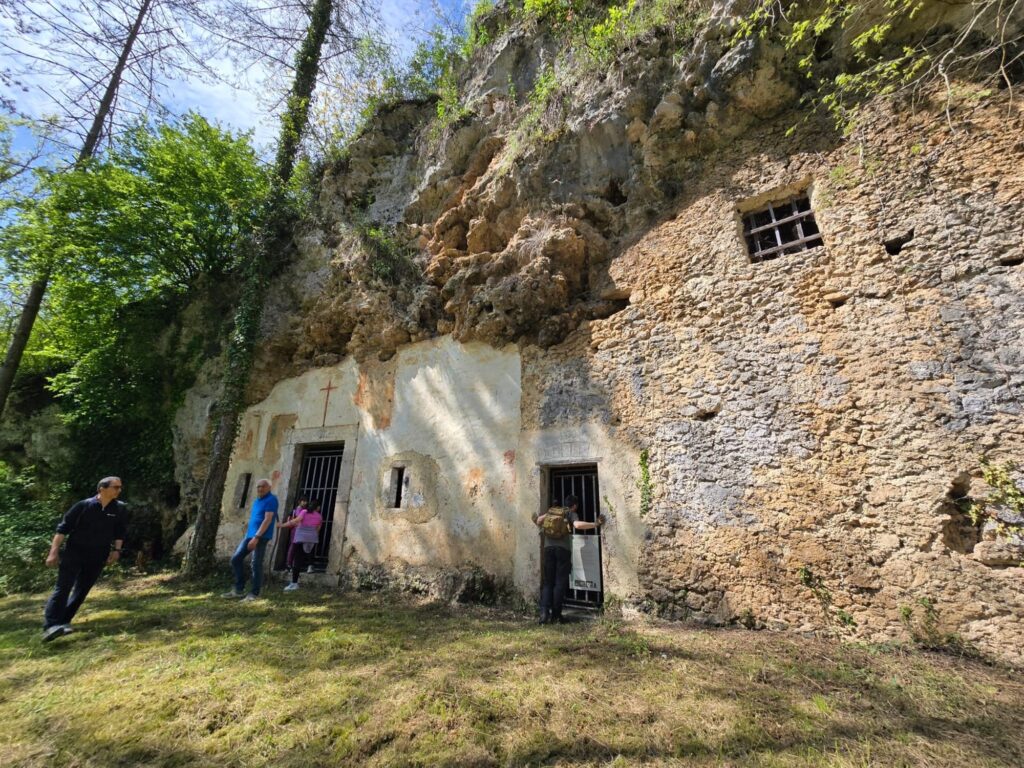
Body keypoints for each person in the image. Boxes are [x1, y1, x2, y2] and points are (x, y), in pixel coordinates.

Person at [42, 476, 129, 642]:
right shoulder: (83, 506)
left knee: (82, 589)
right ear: (102, 489)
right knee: (63, 587)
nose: (119, 490)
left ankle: (64, 621)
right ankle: (50, 625)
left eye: (120, 487)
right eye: (115, 487)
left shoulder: (120, 508)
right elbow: (62, 529)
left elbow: (120, 531)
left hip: (98, 553)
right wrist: (53, 552)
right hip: (74, 552)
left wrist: (117, 550)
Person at [532, 493, 604, 625]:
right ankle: (556, 615)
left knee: (548, 583)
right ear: (575, 505)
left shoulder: (551, 511)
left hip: (548, 550)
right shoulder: (570, 513)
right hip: (563, 551)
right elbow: (577, 525)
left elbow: (538, 521)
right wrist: (595, 524)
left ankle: (543, 614)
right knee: (559, 583)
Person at [222, 478, 278, 601]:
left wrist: (257, 537)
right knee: (236, 559)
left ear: (269, 487)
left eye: (263, 486)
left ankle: (254, 594)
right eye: (258, 486)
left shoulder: (271, 499)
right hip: (250, 535)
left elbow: (268, 519)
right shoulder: (257, 501)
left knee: (256, 564)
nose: (260, 488)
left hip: (260, 537)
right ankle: (238, 589)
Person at [278, 499, 323, 591]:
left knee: (297, 560)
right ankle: (310, 567)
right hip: (311, 540)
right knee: (306, 556)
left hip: (300, 538)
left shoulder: (304, 512)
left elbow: (295, 521)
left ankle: (294, 583)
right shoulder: (319, 516)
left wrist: (281, 525)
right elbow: (318, 529)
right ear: (317, 508)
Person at [284, 495, 308, 571]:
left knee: (294, 547)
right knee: (293, 547)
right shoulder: (299, 509)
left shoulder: (299, 509)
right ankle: (289, 564)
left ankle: (291, 564)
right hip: (296, 530)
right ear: (299, 501)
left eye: (306, 501)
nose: (305, 502)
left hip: (297, 530)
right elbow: (299, 519)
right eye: (303, 501)